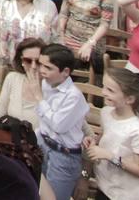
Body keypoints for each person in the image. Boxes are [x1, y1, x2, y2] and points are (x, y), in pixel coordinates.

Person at [83, 67, 139, 200]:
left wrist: (109, 156)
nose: (103, 92)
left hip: (127, 195)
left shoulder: (138, 131)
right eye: (104, 87)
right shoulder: (106, 112)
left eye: (110, 90)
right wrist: (94, 141)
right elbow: (107, 136)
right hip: (105, 186)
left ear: (130, 99)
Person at [35, 43, 88, 200]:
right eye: (41, 65)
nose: (42, 70)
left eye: (48, 67)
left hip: (63, 155)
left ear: (65, 72)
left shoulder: (74, 96)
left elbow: (59, 126)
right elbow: (43, 118)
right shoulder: (46, 83)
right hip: (43, 145)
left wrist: (38, 97)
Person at [56, 0, 113, 71]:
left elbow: (105, 24)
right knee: (53, 55)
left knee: (74, 60)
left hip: (91, 40)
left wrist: (89, 43)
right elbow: (63, 13)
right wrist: (61, 35)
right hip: (67, 36)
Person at [0, 37, 47, 129]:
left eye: (38, 61)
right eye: (28, 61)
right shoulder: (12, 78)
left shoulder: (53, 88)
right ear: (21, 61)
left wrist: (38, 95)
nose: (33, 66)